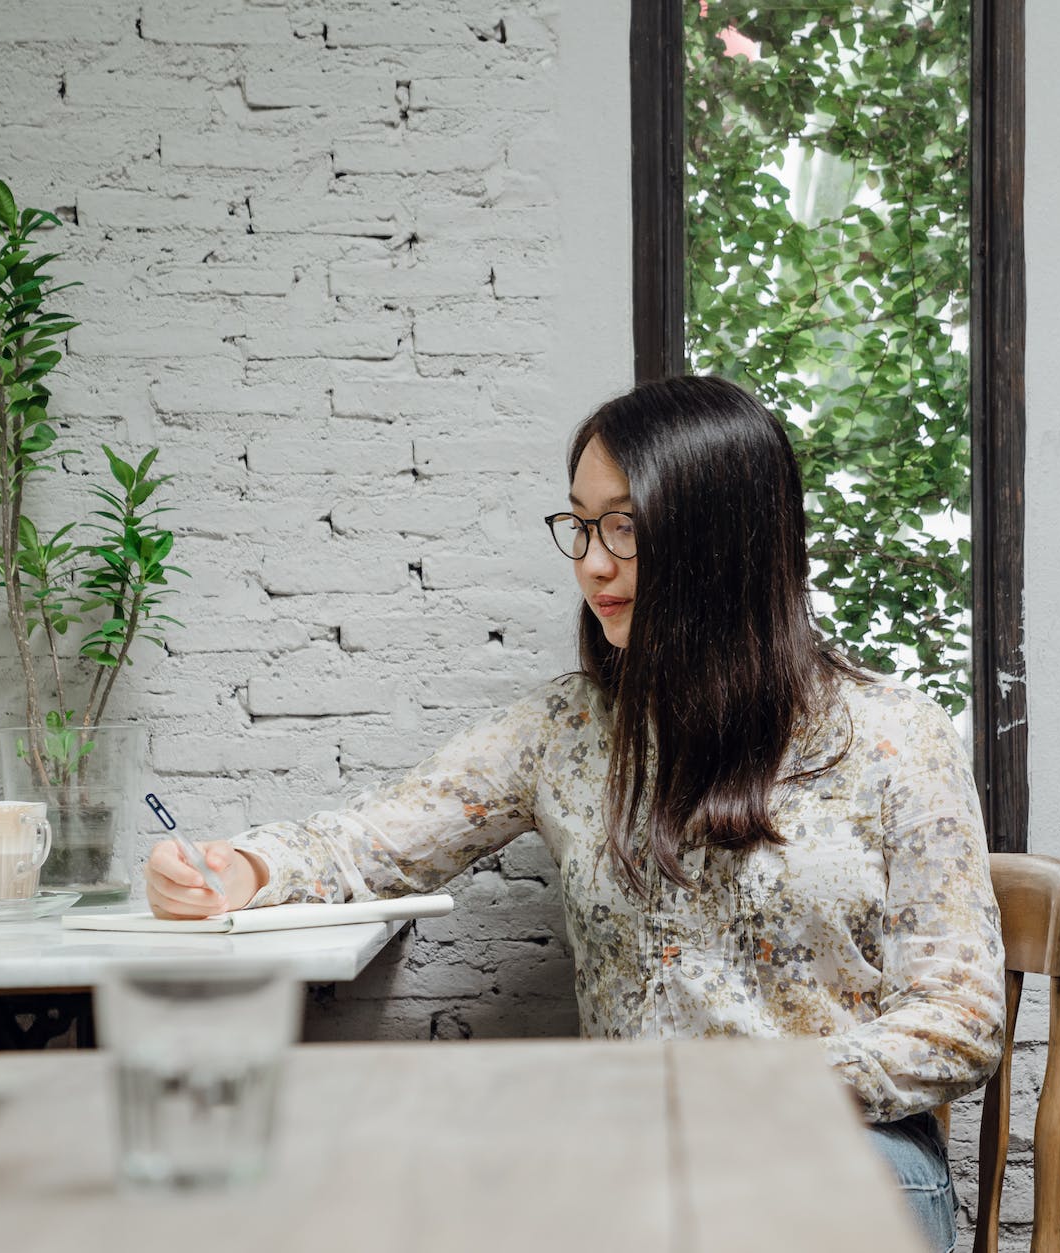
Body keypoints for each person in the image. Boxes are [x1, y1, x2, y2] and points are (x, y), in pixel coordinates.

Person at [146, 374, 1006, 1253]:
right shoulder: (566, 729)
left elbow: (961, 1018)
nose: (592, 562)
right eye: (583, 524)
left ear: (719, 539)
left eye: (626, 527)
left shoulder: (897, 735)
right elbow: (372, 840)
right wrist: (240, 870)